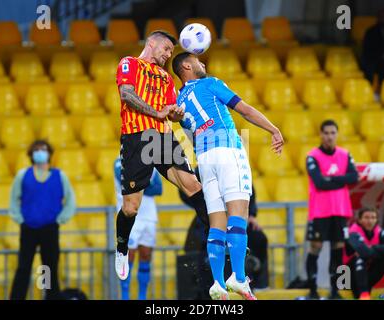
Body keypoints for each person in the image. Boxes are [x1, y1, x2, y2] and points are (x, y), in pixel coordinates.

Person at [172, 52, 283, 300]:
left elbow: (192, 131)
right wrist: (273, 129)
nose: (205, 64)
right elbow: (244, 110)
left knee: (217, 222)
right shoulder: (212, 83)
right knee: (239, 213)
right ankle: (239, 278)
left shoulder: (180, 102)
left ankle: (218, 283)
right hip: (227, 150)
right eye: (199, 61)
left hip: (204, 158)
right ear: (187, 66)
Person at [115, 30, 211, 281]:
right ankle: (122, 247)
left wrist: (175, 114)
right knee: (130, 208)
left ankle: (217, 240)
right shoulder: (129, 63)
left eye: (171, 51)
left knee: (194, 186)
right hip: (137, 137)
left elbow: (170, 111)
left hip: (163, 138)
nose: (169, 54)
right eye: (166, 48)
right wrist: (156, 113)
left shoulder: (166, 79)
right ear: (151, 43)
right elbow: (126, 95)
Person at [9, 140, 76, 300]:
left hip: (50, 228)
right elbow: (13, 200)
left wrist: (60, 220)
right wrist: (20, 220)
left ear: (49, 153)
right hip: (28, 228)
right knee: (24, 267)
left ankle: (50, 297)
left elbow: (70, 201)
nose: (40, 152)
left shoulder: (60, 176)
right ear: (31, 154)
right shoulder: (22, 175)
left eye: (43, 149)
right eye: (37, 149)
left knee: (49, 267)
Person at [304, 120, 359, 300]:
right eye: (326, 133)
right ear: (320, 134)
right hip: (320, 211)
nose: (329, 136)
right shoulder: (312, 156)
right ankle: (313, 290)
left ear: (337, 134)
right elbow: (319, 182)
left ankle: (336, 291)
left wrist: (331, 179)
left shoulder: (345, 154)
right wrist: (340, 179)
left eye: (332, 133)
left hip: (341, 210)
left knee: (338, 250)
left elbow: (354, 177)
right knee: (315, 248)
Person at [114, 157, 162, 300]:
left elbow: (158, 189)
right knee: (129, 256)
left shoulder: (152, 161)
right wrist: (146, 183)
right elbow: (129, 184)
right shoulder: (119, 161)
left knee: (146, 255)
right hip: (130, 215)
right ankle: (125, 296)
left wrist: (139, 184)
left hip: (148, 216)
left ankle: (142, 296)